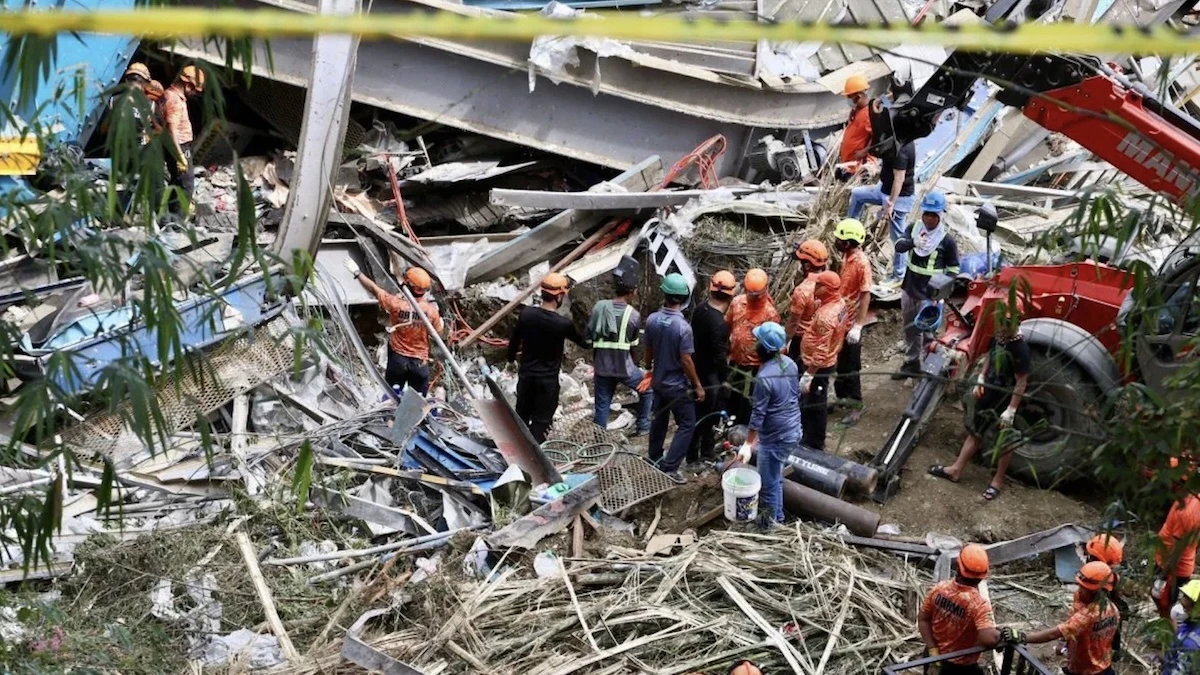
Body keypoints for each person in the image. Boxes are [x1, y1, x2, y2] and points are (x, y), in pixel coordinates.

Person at [927, 297, 1028, 500]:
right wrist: (982, 377)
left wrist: (1012, 410)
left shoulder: (1020, 349)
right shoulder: (998, 337)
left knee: (1005, 440)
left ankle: (998, 480)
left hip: (1005, 399)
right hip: (988, 393)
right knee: (975, 432)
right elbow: (990, 357)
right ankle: (956, 469)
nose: (1003, 324)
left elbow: (1021, 381)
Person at [734, 321, 800, 527]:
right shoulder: (790, 363)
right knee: (775, 476)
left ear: (763, 348)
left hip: (776, 437)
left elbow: (758, 414)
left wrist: (748, 443)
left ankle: (768, 527)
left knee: (768, 484)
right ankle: (778, 518)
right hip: (793, 429)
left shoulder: (764, 378)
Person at [642, 273, 706, 483]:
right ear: (684, 297)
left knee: (659, 419)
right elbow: (686, 360)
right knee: (688, 423)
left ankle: (654, 456)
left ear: (665, 294)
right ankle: (670, 467)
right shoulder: (683, 328)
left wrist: (648, 369)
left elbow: (648, 350)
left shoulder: (652, 320)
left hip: (658, 382)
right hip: (677, 385)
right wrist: (697, 385)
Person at [345, 260, 444, 396]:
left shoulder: (396, 304)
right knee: (417, 403)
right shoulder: (432, 311)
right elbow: (438, 333)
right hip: (419, 363)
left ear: (409, 285)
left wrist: (358, 273)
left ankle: (389, 418)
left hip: (398, 360)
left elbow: (374, 289)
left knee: (391, 399)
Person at [509, 273, 587, 444]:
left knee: (521, 418)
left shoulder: (527, 314)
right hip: (547, 383)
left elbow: (514, 341)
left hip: (526, 378)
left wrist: (510, 359)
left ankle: (517, 454)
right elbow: (585, 342)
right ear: (559, 296)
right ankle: (535, 460)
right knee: (541, 423)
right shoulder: (562, 324)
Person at [1003, 561, 1119, 675]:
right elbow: (1074, 626)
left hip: (1084, 671)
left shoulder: (1088, 616)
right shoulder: (1113, 609)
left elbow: (1054, 633)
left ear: (1096, 592)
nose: (1079, 590)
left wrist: (1023, 637)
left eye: (1083, 588)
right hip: (1102, 666)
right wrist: (1063, 642)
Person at [895, 191, 959, 380]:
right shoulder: (914, 229)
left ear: (941, 215)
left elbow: (954, 268)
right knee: (910, 328)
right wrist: (912, 243)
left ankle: (932, 369)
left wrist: (941, 290)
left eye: (934, 215)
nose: (930, 219)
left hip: (930, 294)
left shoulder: (946, 240)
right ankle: (912, 363)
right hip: (910, 288)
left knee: (929, 331)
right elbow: (899, 246)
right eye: (927, 214)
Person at [917, 544, 1002, 675]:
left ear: (958, 567)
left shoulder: (939, 589)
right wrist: (1002, 635)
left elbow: (923, 620)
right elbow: (989, 639)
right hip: (960, 668)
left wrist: (933, 651)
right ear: (982, 576)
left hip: (933, 657)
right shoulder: (978, 605)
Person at [589, 264, 652, 437]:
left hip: (602, 367)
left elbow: (590, 340)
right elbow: (633, 347)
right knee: (647, 390)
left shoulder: (599, 308)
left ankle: (600, 440)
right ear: (632, 291)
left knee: (602, 405)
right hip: (624, 367)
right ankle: (644, 426)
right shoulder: (633, 315)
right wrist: (637, 366)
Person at [847, 134, 917, 285]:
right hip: (883, 189)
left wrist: (890, 203)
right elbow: (878, 147)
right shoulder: (892, 139)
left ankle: (899, 275)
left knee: (898, 238)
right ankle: (851, 232)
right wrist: (866, 157)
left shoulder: (903, 151)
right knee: (857, 194)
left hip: (899, 197)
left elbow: (899, 180)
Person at [688, 270, 735, 463]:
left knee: (697, 415)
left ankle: (694, 453)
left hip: (696, 370)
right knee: (709, 416)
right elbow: (719, 357)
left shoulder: (700, 310)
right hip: (710, 377)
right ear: (731, 295)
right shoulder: (719, 324)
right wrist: (725, 380)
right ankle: (702, 454)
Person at [726, 268, 781, 425]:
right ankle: (729, 423)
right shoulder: (737, 303)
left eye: (756, 294)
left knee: (751, 399)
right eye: (750, 293)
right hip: (736, 359)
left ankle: (745, 427)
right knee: (732, 394)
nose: (753, 297)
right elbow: (728, 325)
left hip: (757, 365)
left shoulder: (770, 313)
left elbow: (772, 343)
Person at [799, 271, 847, 451]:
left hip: (819, 366)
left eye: (818, 285)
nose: (815, 287)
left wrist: (809, 374)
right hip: (828, 359)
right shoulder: (839, 303)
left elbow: (821, 350)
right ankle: (809, 436)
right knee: (811, 402)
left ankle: (814, 442)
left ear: (827, 289)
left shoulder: (827, 316)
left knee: (816, 404)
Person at [832, 218, 872, 426]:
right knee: (840, 364)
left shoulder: (861, 263)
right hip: (840, 320)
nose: (836, 241)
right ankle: (841, 398)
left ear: (847, 242)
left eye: (839, 238)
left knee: (850, 366)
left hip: (850, 324)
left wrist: (858, 325)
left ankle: (855, 406)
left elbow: (865, 295)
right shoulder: (846, 257)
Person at [162, 64, 205, 215]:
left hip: (180, 146)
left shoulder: (171, 96)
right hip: (179, 147)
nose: (194, 93)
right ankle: (176, 224)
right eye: (194, 89)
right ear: (188, 84)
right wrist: (180, 155)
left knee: (176, 182)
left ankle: (169, 219)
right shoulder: (173, 100)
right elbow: (171, 129)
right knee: (186, 185)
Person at [1153, 489, 1200, 617]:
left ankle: (1167, 630)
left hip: (1172, 567)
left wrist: (1163, 576)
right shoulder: (1190, 496)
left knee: (1163, 602)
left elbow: (1176, 551)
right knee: (1161, 600)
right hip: (1169, 559)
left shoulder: (1188, 513)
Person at [784, 239, 829, 361]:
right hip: (822, 337)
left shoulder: (802, 291)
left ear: (807, 265)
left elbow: (793, 323)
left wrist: (783, 343)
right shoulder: (830, 282)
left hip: (802, 340)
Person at [836, 74, 874, 179]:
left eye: (849, 97)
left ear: (859, 96)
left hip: (858, 168)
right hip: (848, 165)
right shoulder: (857, 111)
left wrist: (864, 151)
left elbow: (877, 138)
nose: (848, 100)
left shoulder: (868, 114)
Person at [1163, 579, 1200, 674]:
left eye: (1187, 598)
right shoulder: (1189, 626)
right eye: (1184, 596)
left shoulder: (1190, 643)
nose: (1182, 601)